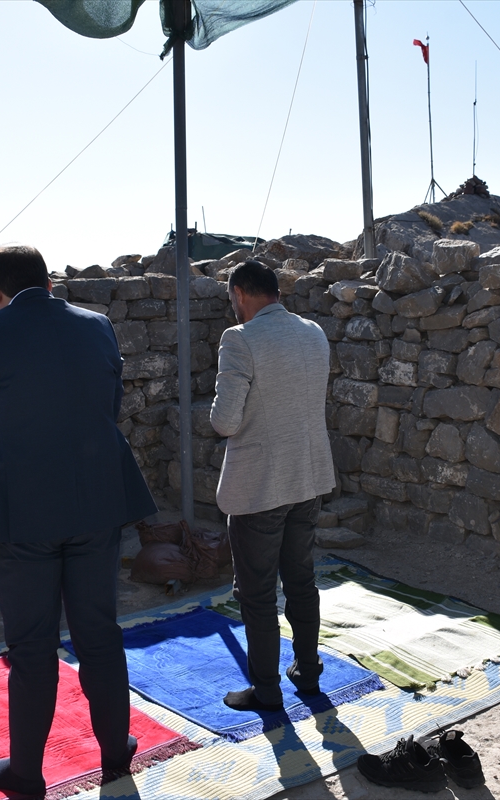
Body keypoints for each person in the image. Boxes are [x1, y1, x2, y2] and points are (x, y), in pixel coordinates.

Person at [0, 245, 156, 797]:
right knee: (100, 635)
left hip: (21, 514)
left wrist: (10, 441)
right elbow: (108, 407)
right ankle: (115, 753)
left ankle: (27, 774)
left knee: (32, 647)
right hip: (95, 503)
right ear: (49, 283)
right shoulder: (98, 326)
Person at [210, 260, 336, 711]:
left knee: (257, 593)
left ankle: (266, 690)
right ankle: (308, 670)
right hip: (308, 476)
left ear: (240, 293)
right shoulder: (313, 332)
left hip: (260, 487)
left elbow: (225, 422)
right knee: (301, 580)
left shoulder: (239, 338)